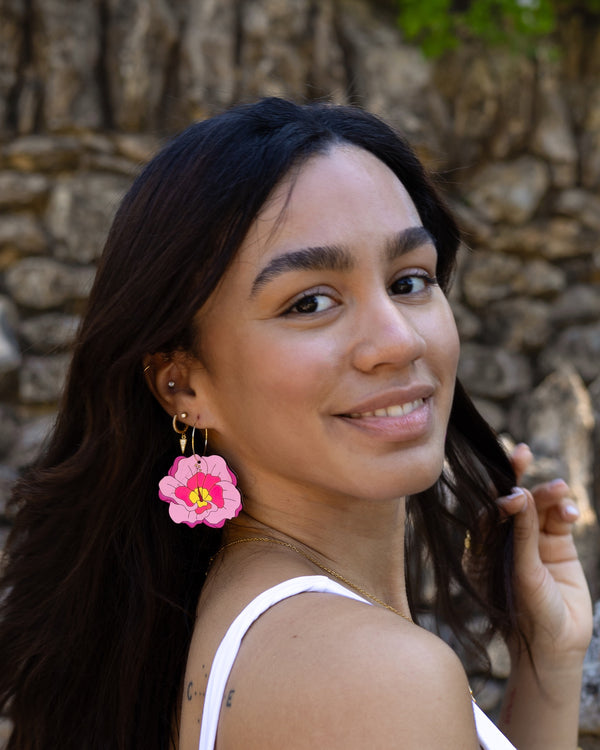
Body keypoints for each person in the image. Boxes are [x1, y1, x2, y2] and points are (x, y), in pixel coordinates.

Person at [0, 97, 592, 750]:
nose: (397, 340)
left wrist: (548, 662)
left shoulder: (222, 620)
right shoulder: (368, 676)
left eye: (410, 281)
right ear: (184, 385)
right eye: (310, 302)